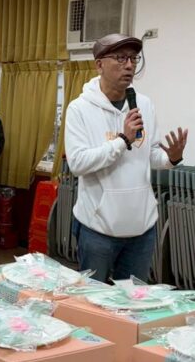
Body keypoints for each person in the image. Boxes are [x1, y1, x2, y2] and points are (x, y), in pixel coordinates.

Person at [64, 33, 187, 283]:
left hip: (141, 229)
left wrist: (171, 158)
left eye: (133, 58)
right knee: (93, 299)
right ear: (99, 64)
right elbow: (77, 163)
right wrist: (122, 141)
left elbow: (150, 155)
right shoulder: (80, 109)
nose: (129, 65)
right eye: (120, 58)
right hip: (98, 228)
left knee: (132, 300)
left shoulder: (143, 104)